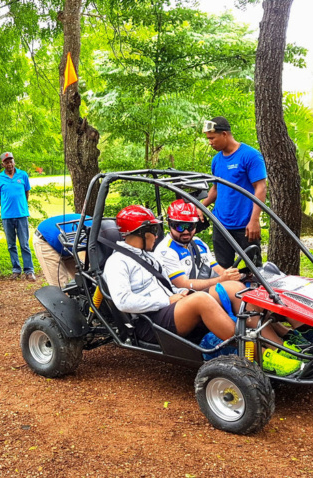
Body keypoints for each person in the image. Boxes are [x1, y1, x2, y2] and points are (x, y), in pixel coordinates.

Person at [102, 205, 301, 376]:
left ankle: (278, 347)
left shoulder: (148, 256)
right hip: (149, 322)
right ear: (140, 232)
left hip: (168, 309)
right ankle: (261, 356)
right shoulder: (117, 262)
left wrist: (178, 294)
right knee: (201, 300)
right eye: (154, 229)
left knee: (234, 288)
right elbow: (123, 302)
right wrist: (168, 301)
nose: (156, 234)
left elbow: (166, 284)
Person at [201, 116, 267, 268]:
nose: (210, 143)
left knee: (254, 269)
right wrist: (201, 207)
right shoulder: (216, 160)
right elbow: (216, 188)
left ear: (224, 134)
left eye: (212, 138)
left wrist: (254, 220)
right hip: (221, 224)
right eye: (208, 139)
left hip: (245, 225)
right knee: (224, 269)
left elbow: (261, 187)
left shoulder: (250, 155)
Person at [0, 151, 35, 281]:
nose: (9, 164)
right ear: (3, 164)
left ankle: (29, 271)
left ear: (14, 162)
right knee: (11, 245)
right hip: (7, 216)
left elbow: (26, 192)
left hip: (22, 214)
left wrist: (21, 205)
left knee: (24, 244)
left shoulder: (22, 175)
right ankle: (16, 270)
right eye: (6, 162)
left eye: (11, 161)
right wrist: (6, 206)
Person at [33, 213, 91, 287]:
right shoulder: (89, 237)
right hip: (47, 240)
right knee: (60, 287)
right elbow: (84, 259)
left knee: (86, 284)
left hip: (70, 242)